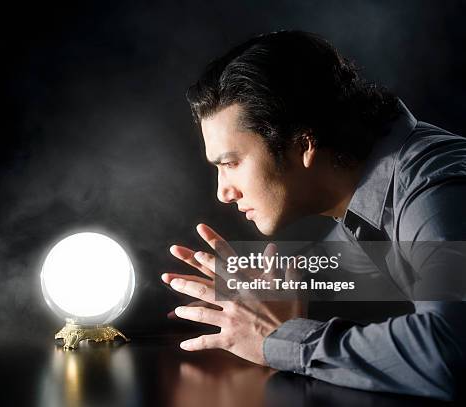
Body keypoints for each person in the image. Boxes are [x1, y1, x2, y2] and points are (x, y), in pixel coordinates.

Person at [161, 30, 466, 400]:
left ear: (303, 145)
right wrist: (249, 298)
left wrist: (274, 339)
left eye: (231, 163)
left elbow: (449, 353)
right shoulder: (366, 203)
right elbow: (330, 272)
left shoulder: (436, 188)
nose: (224, 192)